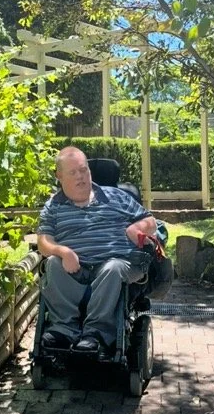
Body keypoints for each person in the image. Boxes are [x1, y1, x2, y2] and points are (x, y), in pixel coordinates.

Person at [36, 146, 159, 355]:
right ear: (59, 176)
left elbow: (151, 221)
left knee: (112, 268)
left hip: (117, 263)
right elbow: (43, 241)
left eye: (83, 170)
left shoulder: (116, 196)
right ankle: (64, 330)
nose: (80, 177)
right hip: (76, 268)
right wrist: (63, 251)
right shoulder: (53, 206)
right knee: (53, 263)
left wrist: (138, 227)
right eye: (73, 173)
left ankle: (96, 333)